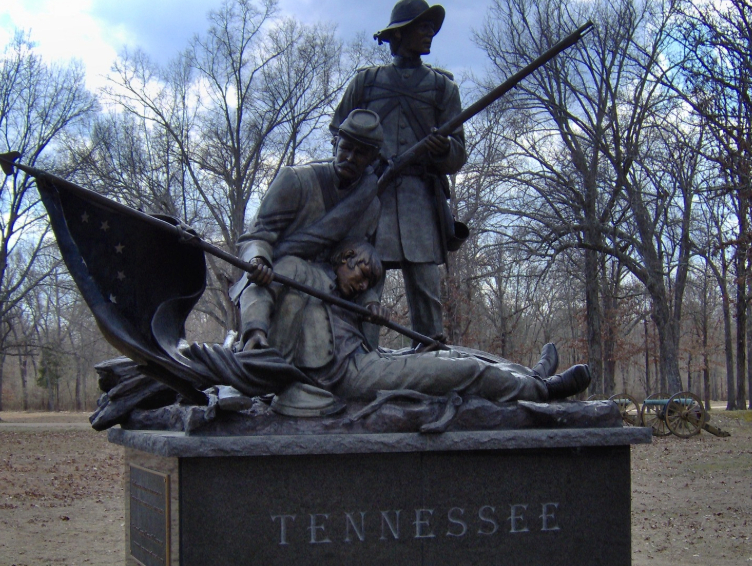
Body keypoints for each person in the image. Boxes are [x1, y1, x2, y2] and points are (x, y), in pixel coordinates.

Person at [238, 239, 591, 404]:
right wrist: (255, 332)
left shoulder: (346, 297)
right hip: (343, 374)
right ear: (345, 256)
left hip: (365, 359)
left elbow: (358, 326)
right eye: (361, 275)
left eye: (367, 283)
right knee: (461, 370)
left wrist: (368, 309)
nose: (362, 286)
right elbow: (258, 293)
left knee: (448, 354)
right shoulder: (298, 271)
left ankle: (530, 376)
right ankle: (543, 390)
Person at [331, 0, 467, 347]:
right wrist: (363, 164)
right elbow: (340, 133)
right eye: (422, 27)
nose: (429, 33)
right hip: (371, 197)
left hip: (420, 200)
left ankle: (431, 364)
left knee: (425, 293)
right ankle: (360, 359)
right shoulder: (366, 83)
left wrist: (442, 150)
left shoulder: (442, 88)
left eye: (431, 27)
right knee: (364, 286)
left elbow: (458, 155)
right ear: (400, 34)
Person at [231, 108, 391, 348]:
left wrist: (370, 302)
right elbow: (256, 236)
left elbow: (360, 261)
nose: (350, 157)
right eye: (346, 148)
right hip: (281, 277)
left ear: (373, 158)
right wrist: (258, 260)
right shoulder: (295, 181)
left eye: (361, 153)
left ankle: (367, 357)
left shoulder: (370, 207)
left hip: (329, 295)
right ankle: (255, 337)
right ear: (335, 143)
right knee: (280, 273)